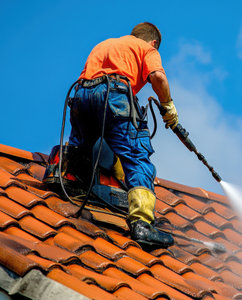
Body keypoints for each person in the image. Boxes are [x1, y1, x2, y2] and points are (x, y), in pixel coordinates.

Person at [68, 22, 178, 248]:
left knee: (83, 147)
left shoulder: (105, 44)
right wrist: (168, 106)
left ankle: (74, 182)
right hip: (115, 95)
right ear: (153, 42)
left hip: (82, 95)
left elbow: (86, 80)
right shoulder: (147, 49)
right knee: (137, 158)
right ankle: (141, 224)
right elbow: (157, 77)